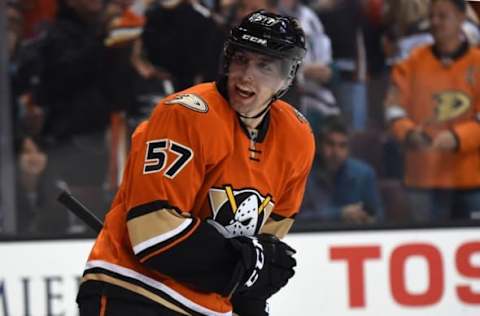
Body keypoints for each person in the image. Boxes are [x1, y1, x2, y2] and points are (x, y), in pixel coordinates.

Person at [77, 10, 315, 316]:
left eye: (264, 66)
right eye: (241, 60)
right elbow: (153, 235)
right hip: (135, 292)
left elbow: (266, 242)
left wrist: (249, 294)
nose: (246, 76)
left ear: (287, 76)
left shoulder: (297, 137)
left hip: (207, 308)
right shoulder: (187, 114)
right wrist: (240, 264)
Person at [384, 0, 480, 222]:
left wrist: (457, 138)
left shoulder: (477, 63)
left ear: (461, 18)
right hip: (424, 180)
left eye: (442, 16)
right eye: (432, 16)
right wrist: (409, 132)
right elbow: (393, 109)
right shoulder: (411, 63)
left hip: (471, 178)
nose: (435, 22)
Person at [300, 115, 384, 224]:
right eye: (330, 144)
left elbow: (379, 216)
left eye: (342, 145)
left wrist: (367, 219)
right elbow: (297, 218)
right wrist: (340, 214)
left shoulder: (364, 174)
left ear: (349, 148)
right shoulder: (304, 173)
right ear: (319, 146)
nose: (336, 152)